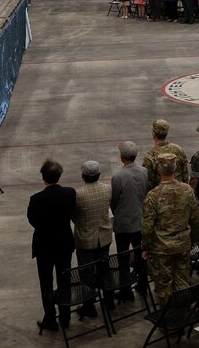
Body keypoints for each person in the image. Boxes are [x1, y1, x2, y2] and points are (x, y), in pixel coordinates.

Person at [26, 159, 78, 332]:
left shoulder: (36, 199)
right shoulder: (70, 193)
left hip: (45, 246)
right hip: (64, 244)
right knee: (65, 280)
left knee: (46, 283)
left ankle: (50, 319)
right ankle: (65, 316)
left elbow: (33, 220)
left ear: (43, 178)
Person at [143, 156, 199, 306]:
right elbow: (196, 220)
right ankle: (182, 315)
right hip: (183, 245)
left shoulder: (153, 196)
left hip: (162, 248)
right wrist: (193, 240)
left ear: (158, 170)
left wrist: (145, 246)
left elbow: (148, 226)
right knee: (182, 281)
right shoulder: (187, 190)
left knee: (164, 285)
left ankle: (170, 320)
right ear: (175, 169)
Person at [72, 161, 114, 319]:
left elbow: (74, 216)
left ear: (83, 176)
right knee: (105, 268)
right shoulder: (107, 189)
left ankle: (89, 306)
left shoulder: (79, 194)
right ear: (99, 175)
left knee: (86, 274)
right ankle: (109, 300)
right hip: (104, 237)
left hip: (86, 240)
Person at [110, 141, 149, 300]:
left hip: (124, 224)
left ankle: (126, 290)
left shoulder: (118, 176)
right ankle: (143, 284)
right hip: (140, 220)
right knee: (141, 255)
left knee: (123, 258)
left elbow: (113, 201)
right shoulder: (145, 171)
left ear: (122, 157)